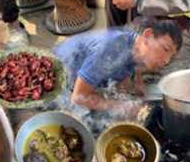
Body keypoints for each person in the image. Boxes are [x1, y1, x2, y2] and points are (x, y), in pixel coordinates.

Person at [53, 18, 182, 113]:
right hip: (56, 77)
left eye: (171, 57)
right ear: (148, 35)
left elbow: (125, 75)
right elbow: (78, 97)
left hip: (82, 72)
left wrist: (136, 83)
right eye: (165, 49)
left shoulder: (136, 47)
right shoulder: (112, 49)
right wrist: (122, 106)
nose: (166, 60)